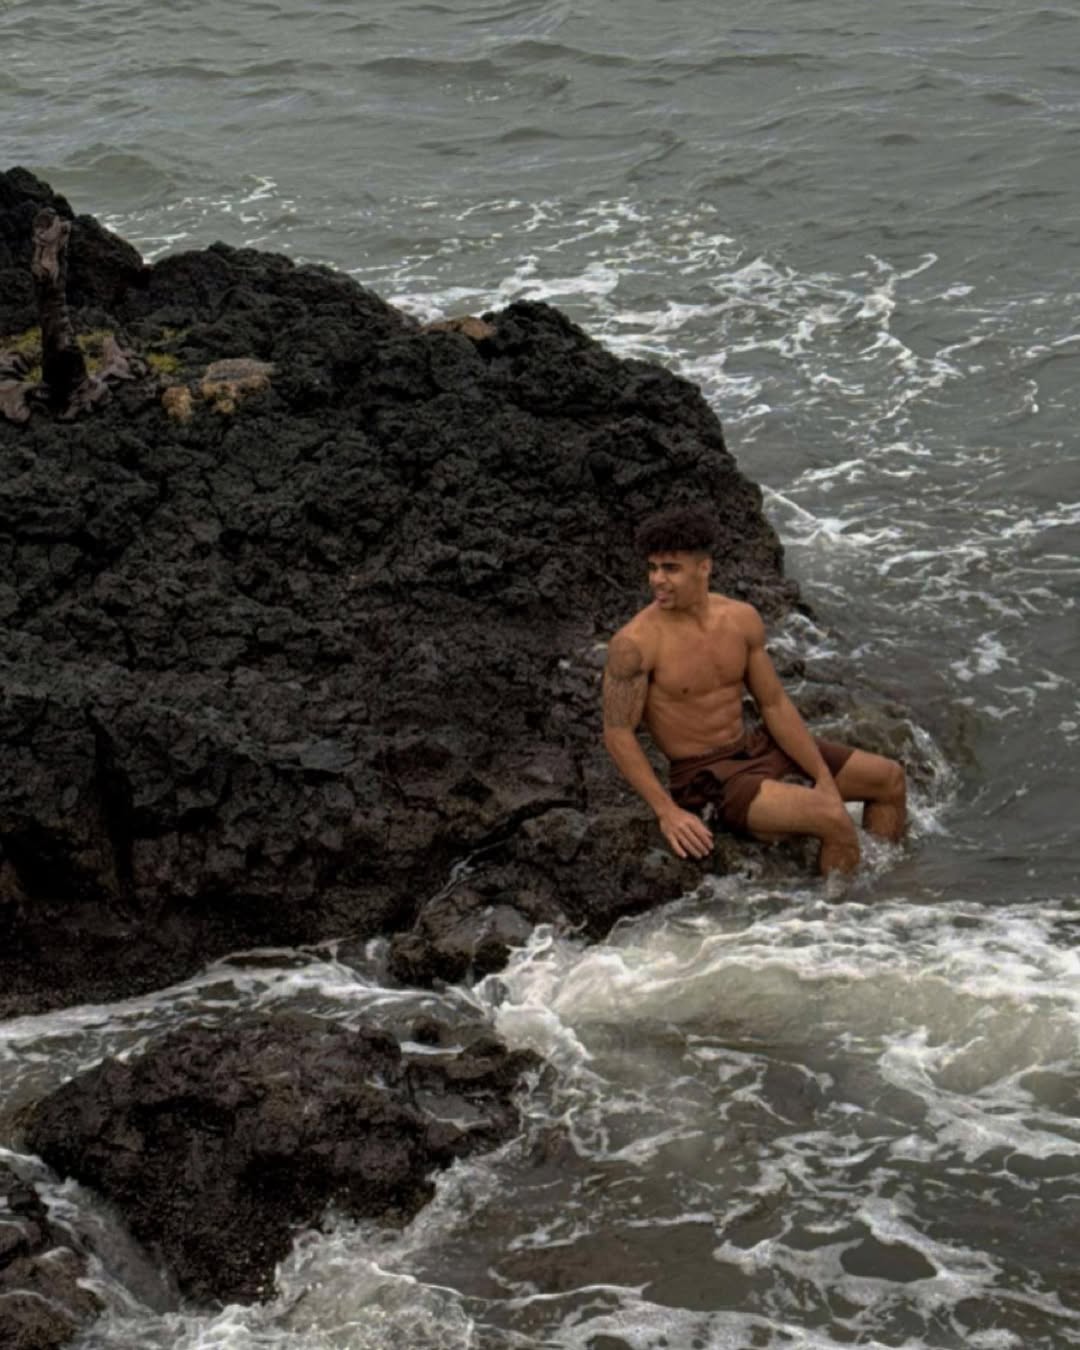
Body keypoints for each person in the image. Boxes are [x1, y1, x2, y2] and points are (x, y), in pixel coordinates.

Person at [602, 504, 906, 875]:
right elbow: (617, 732)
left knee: (889, 780)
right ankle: (842, 908)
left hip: (755, 747)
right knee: (833, 818)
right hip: (707, 778)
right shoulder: (635, 644)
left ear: (704, 567)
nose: (657, 580)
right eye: (652, 568)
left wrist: (822, 777)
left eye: (671, 568)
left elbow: (773, 703)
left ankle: (888, 886)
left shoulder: (740, 618)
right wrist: (667, 812)